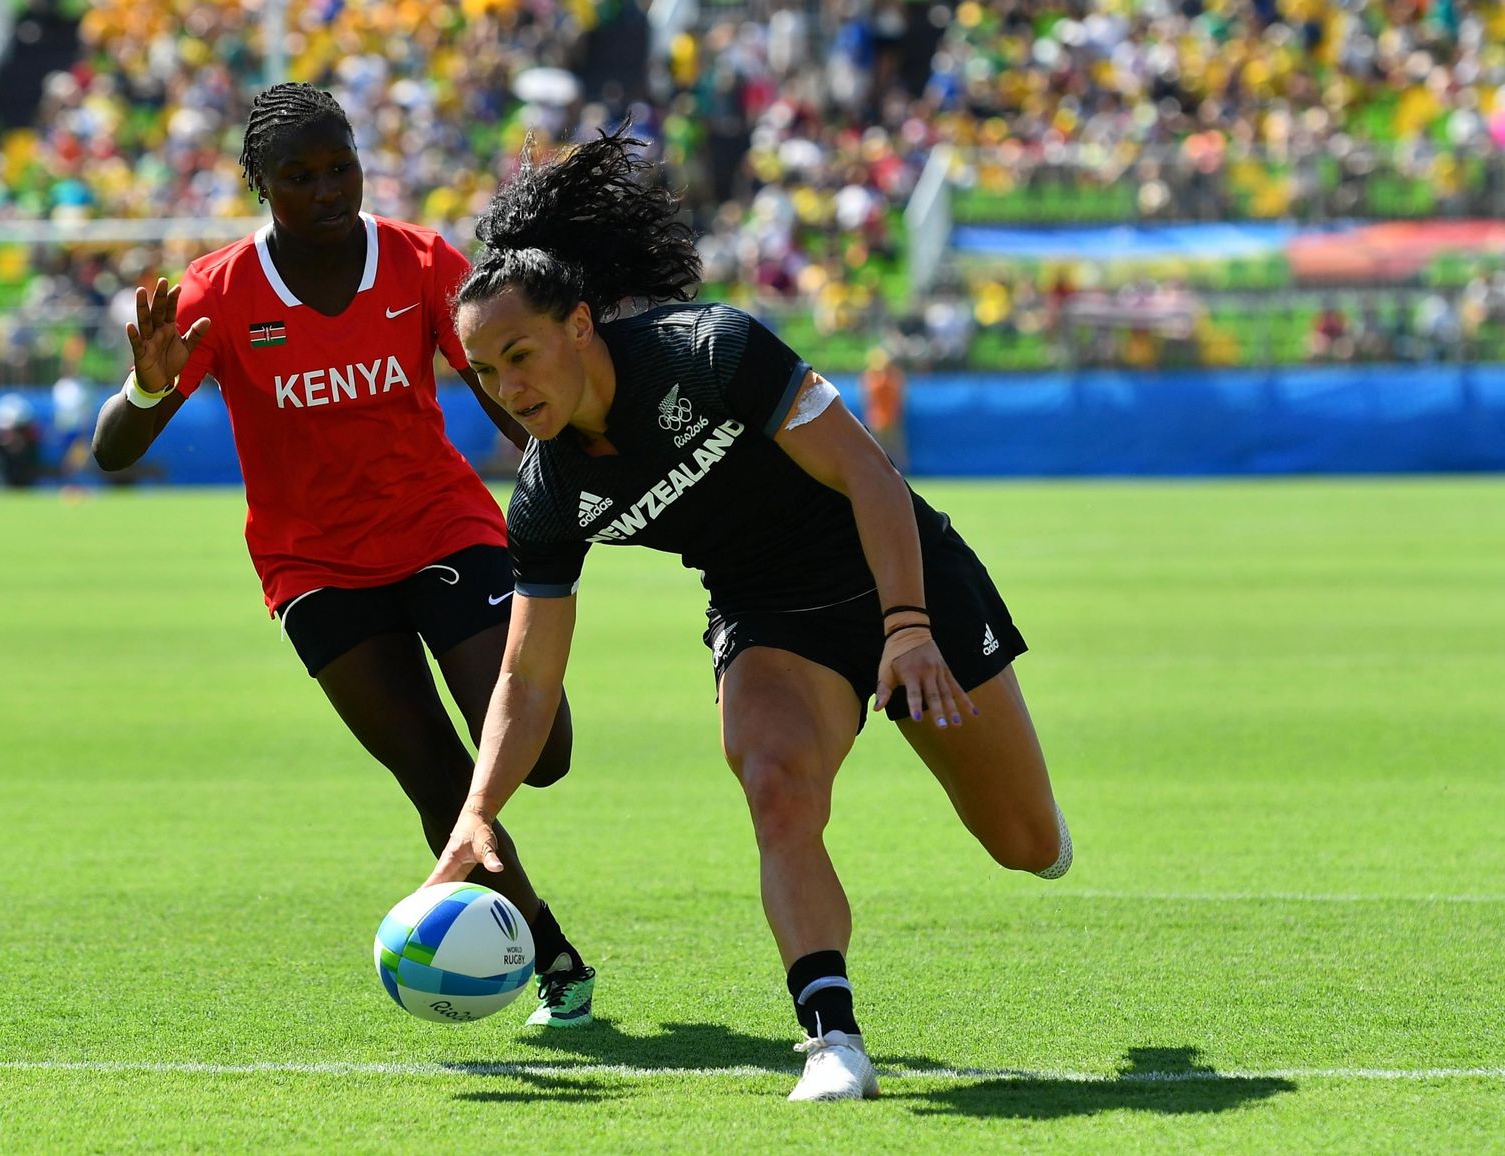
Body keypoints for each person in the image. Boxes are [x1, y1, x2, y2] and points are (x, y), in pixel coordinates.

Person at [424, 129, 1072, 1100]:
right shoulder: (549, 493)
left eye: (520, 356)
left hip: (905, 578)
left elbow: (868, 474)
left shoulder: (709, 351)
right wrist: (478, 811)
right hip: (772, 620)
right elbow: (526, 673)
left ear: (580, 325)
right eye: (486, 375)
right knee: (775, 785)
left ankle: (1037, 825)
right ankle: (833, 1039)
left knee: (1023, 845)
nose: (510, 391)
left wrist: (906, 627)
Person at [91, 83, 596, 1028]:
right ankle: (550, 954)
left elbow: (499, 388)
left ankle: (534, 940)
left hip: (444, 528)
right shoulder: (217, 292)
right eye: (299, 176)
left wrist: (557, 472)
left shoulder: (417, 260)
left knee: (549, 750)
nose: (327, 190)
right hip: (314, 567)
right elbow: (110, 451)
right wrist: (147, 388)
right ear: (259, 185)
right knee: (437, 779)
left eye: (341, 168)